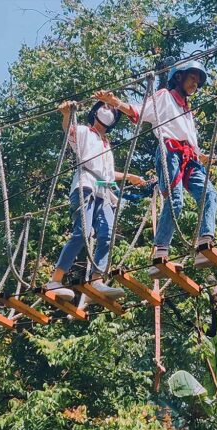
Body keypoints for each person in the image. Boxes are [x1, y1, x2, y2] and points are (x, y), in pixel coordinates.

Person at [96, 60, 217, 276]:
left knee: (210, 194)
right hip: (169, 152)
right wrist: (115, 102)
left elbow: (188, 137)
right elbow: (139, 110)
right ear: (178, 77)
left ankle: (205, 245)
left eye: (197, 82)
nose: (195, 84)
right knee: (175, 201)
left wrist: (200, 154)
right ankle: (160, 252)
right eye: (192, 78)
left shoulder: (187, 110)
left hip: (188, 157)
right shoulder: (164, 96)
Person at [47, 99, 146, 303]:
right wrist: (67, 114)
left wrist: (128, 177)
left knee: (107, 234)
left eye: (113, 111)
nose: (109, 111)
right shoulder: (85, 132)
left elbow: (106, 174)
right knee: (82, 233)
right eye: (106, 107)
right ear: (96, 111)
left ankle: (96, 279)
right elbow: (69, 130)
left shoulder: (106, 145)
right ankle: (55, 280)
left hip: (103, 191)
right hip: (85, 185)